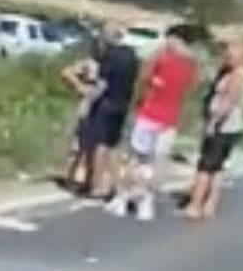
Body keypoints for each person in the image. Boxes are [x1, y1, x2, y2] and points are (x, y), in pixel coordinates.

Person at [108, 28, 199, 221]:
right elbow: (190, 88)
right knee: (155, 163)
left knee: (136, 159)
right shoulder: (190, 66)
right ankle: (146, 202)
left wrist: (137, 100)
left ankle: (124, 198)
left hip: (149, 114)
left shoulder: (161, 59)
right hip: (169, 119)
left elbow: (142, 79)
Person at [184, 36, 243, 220]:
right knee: (217, 167)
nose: (227, 56)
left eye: (231, 53)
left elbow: (228, 101)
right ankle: (211, 204)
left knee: (206, 166)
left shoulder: (237, 76)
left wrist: (213, 122)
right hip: (235, 126)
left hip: (223, 126)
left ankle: (195, 204)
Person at [76, 23, 139, 199]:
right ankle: (116, 185)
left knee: (99, 146)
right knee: (113, 146)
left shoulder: (109, 57)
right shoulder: (131, 55)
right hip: (123, 104)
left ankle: (96, 186)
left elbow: (103, 84)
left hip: (107, 104)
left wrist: (89, 99)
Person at [60, 49, 103, 192]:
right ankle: (70, 177)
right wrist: (79, 86)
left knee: (97, 145)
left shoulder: (111, 63)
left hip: (103, 105)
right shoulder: (89, 63)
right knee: (79, 142)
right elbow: (66, 72)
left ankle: (90, 180)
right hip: (87, 103)